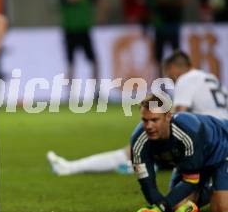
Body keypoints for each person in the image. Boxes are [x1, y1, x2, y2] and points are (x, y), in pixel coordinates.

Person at [47, 51, 228, 175]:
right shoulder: (210, 78)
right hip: (220, 134)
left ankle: (71, 167)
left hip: (210, 140)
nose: (170, 78)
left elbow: (178, 114)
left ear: (173, 67)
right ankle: (154, 163)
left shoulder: (187, 79)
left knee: (136, 148)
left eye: (168, 73)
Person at [130, 94, 228, 212]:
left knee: (220, 208)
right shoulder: (139, 141)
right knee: (176, 205)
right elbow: (147, 183)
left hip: (222, 148)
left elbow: (190, 181)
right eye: (145, 120)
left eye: (154, 120)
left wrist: (161, 207)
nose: (149, 126)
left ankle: (214, 185)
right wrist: (160, 206)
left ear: (168, 117)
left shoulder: (188, 131)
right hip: (193, 160)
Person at [59, 0, 107, 84]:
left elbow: (102, 3)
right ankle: (70, 91)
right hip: (70, 30)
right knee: (70, 62)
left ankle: (96, 89)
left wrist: (100, 16)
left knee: (94, 60)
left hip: (84, 30)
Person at [146, 0, 187, 74]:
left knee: (176, 56)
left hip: (172, 25)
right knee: (158, 57)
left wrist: (166, 1)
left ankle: (178, 81)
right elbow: (150, 3)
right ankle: (160, 83)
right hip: (160, 26)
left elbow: (183, 0)